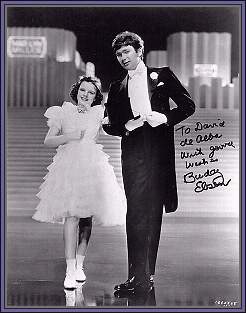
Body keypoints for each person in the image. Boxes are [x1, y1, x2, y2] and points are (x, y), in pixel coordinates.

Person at [102, 31, 196, 294]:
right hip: (132, 155)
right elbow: (110, 125)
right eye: (118, 54)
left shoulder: (162, 75)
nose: (122, 58)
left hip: (157, 154)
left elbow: (189, 106)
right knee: (134, 215)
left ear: (139, 51)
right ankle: (135, 276)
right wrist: (126, 126)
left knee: (152, 216)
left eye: (126, 52)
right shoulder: (117, 86)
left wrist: (165, 118)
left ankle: (146, 277)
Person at [32, 76, 126, 290]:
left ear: (96, 97)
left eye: (91, 92)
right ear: (77, 91)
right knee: (71, 216)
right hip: (69, 166)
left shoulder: (99, 113)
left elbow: (116, 128)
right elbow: (48, 140)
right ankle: (69, 270)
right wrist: (70, 136)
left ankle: (80, 266)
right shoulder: (63, 111)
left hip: (92, 166)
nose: (86, 95)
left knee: (86, 218)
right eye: (83, 90)